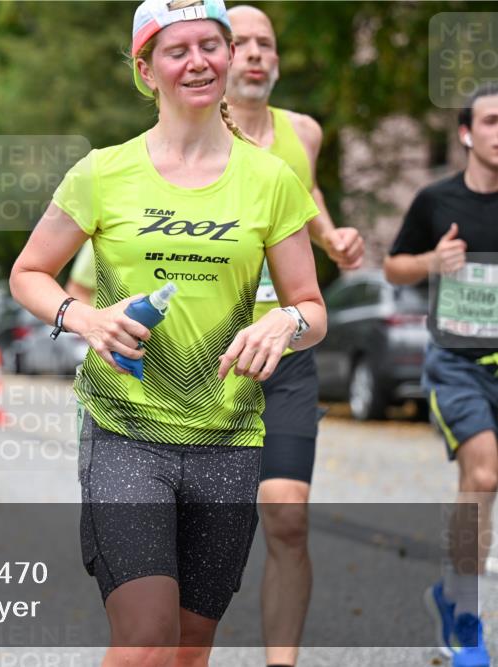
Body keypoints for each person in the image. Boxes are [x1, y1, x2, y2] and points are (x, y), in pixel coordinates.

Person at [9, 0, 326, 663]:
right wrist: (84, 316)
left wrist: (286, 323)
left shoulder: (271, 181)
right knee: (147, 633)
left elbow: (311, 306)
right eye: (176, 51)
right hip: (127, 431)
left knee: (189, 644)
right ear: (145, 70)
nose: (198, 62)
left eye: (211, 46)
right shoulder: (102, 172)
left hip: (229, 436)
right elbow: (29, 272)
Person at [224, 6, 366, 666]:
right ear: (217, 59)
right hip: (207, 350)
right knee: (198, 522)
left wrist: (330, 235)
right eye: (242, 44)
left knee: (286, 512)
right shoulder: (191, 129)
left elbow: (303, 197)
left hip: (286, 343)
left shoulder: (302, 131)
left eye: (266, 45)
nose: (256, 54)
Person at [385, 84, 497, 667]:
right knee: (482, 474)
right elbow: (393, 265)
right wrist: (434, 261)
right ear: (466, 133)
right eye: (492, 121)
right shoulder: (436, 200)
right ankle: (466, 620)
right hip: (458, 365)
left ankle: (452, 594)